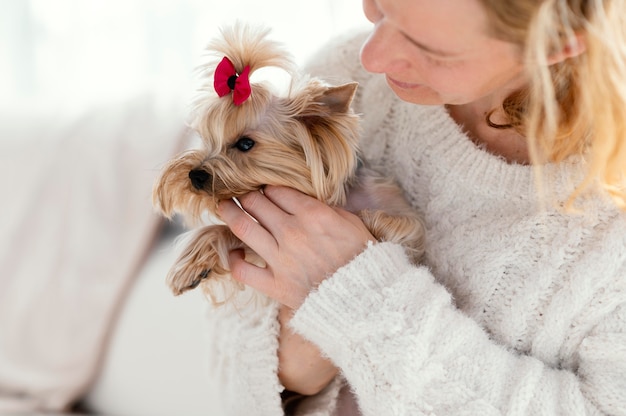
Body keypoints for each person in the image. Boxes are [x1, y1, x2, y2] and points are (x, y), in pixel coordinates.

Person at [209, 0, 626, 414]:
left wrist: (358, 304)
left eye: (430, 48)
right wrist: (297, 369)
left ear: (557, 41)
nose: (373, 56)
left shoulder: (613, 225)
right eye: (378, 7)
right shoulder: (342, 85)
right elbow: (229, 354)